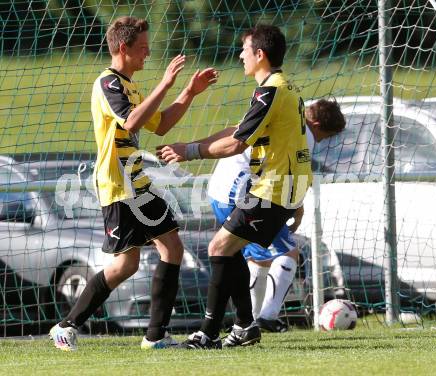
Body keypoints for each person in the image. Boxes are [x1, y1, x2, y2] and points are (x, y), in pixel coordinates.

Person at [49, 16, 218, 351]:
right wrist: (166, 84)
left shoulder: (132, 85)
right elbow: (130, 121)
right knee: (127, 264)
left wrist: (188, 92)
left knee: (171, 248)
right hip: (117, 185)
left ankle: (155, 336)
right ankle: (66, 326)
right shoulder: (108, 83)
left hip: (137, 181)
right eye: (142, 48)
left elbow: (162, 124)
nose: (148, 53)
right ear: (123, 48)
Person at [157, 24, 312, 349]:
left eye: (244, 50)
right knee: (229, 250)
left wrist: (190, 152)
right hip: (281, 189)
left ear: (260, 54)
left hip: (273, 190)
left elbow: (237, 143)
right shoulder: (284, 87)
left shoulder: (270, 90)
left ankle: (210, 332)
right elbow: (238, 129)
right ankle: (244, 325)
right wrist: (191, 145)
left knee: (218, 248)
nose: (240, 56)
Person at [207, 99, 346, 333]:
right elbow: (292, 173)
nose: (321, 141)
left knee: (257, 259)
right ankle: (267, 317)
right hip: (243, 192)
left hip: (219, 190)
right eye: (325, 136)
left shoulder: (276, 116)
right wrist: (297, 209)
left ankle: (247, 321)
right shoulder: (304, 134)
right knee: (288, 253)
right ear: (317, 123)